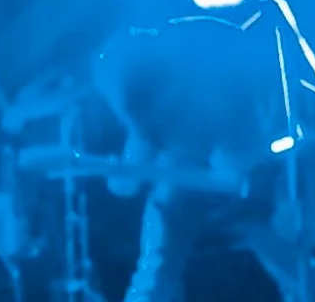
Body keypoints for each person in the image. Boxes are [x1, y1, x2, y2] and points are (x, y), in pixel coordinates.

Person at [90, 20, 303, 302]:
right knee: (279, 253)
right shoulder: (177, 55)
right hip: (224, 173)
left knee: (160, 263)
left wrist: (118, 175)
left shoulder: (137, 83)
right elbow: (137, 165)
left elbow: (129, 180)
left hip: (229, 175)